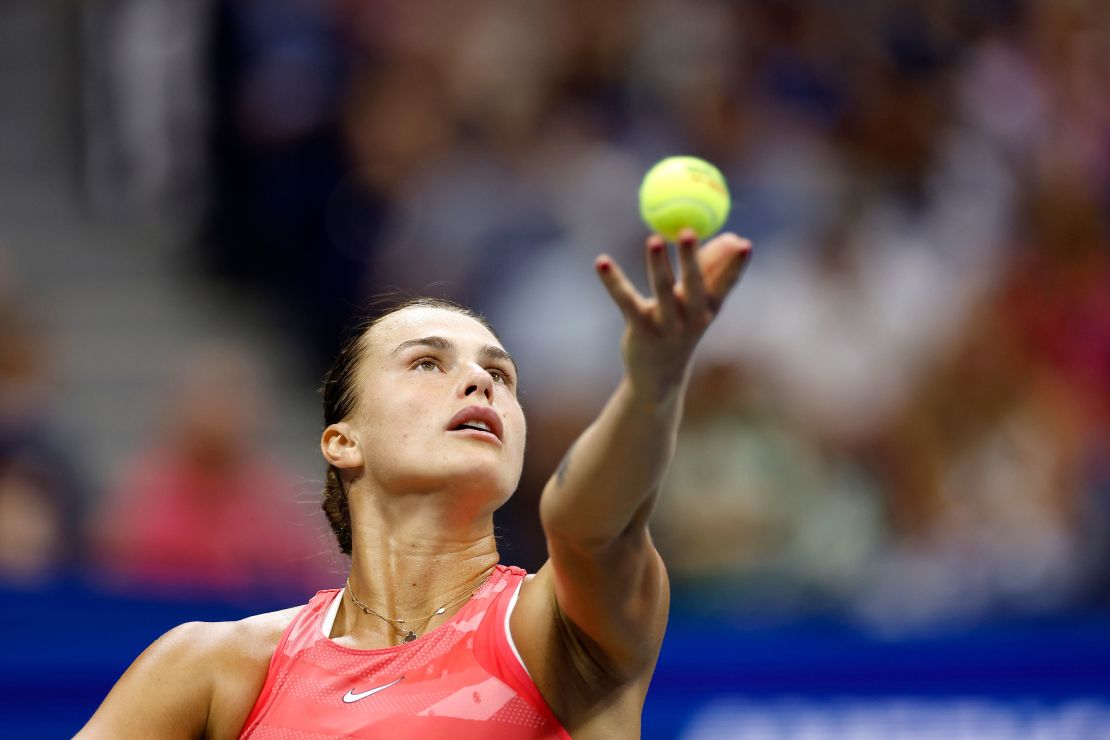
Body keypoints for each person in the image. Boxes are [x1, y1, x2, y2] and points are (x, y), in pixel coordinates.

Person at [77, 228, 752, 739]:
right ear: (345, 441)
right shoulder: (211, 667)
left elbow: (588, 524)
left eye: (502, 375)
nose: (480, 380)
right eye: (427, 362)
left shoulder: (557, 630)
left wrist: (651, 386)